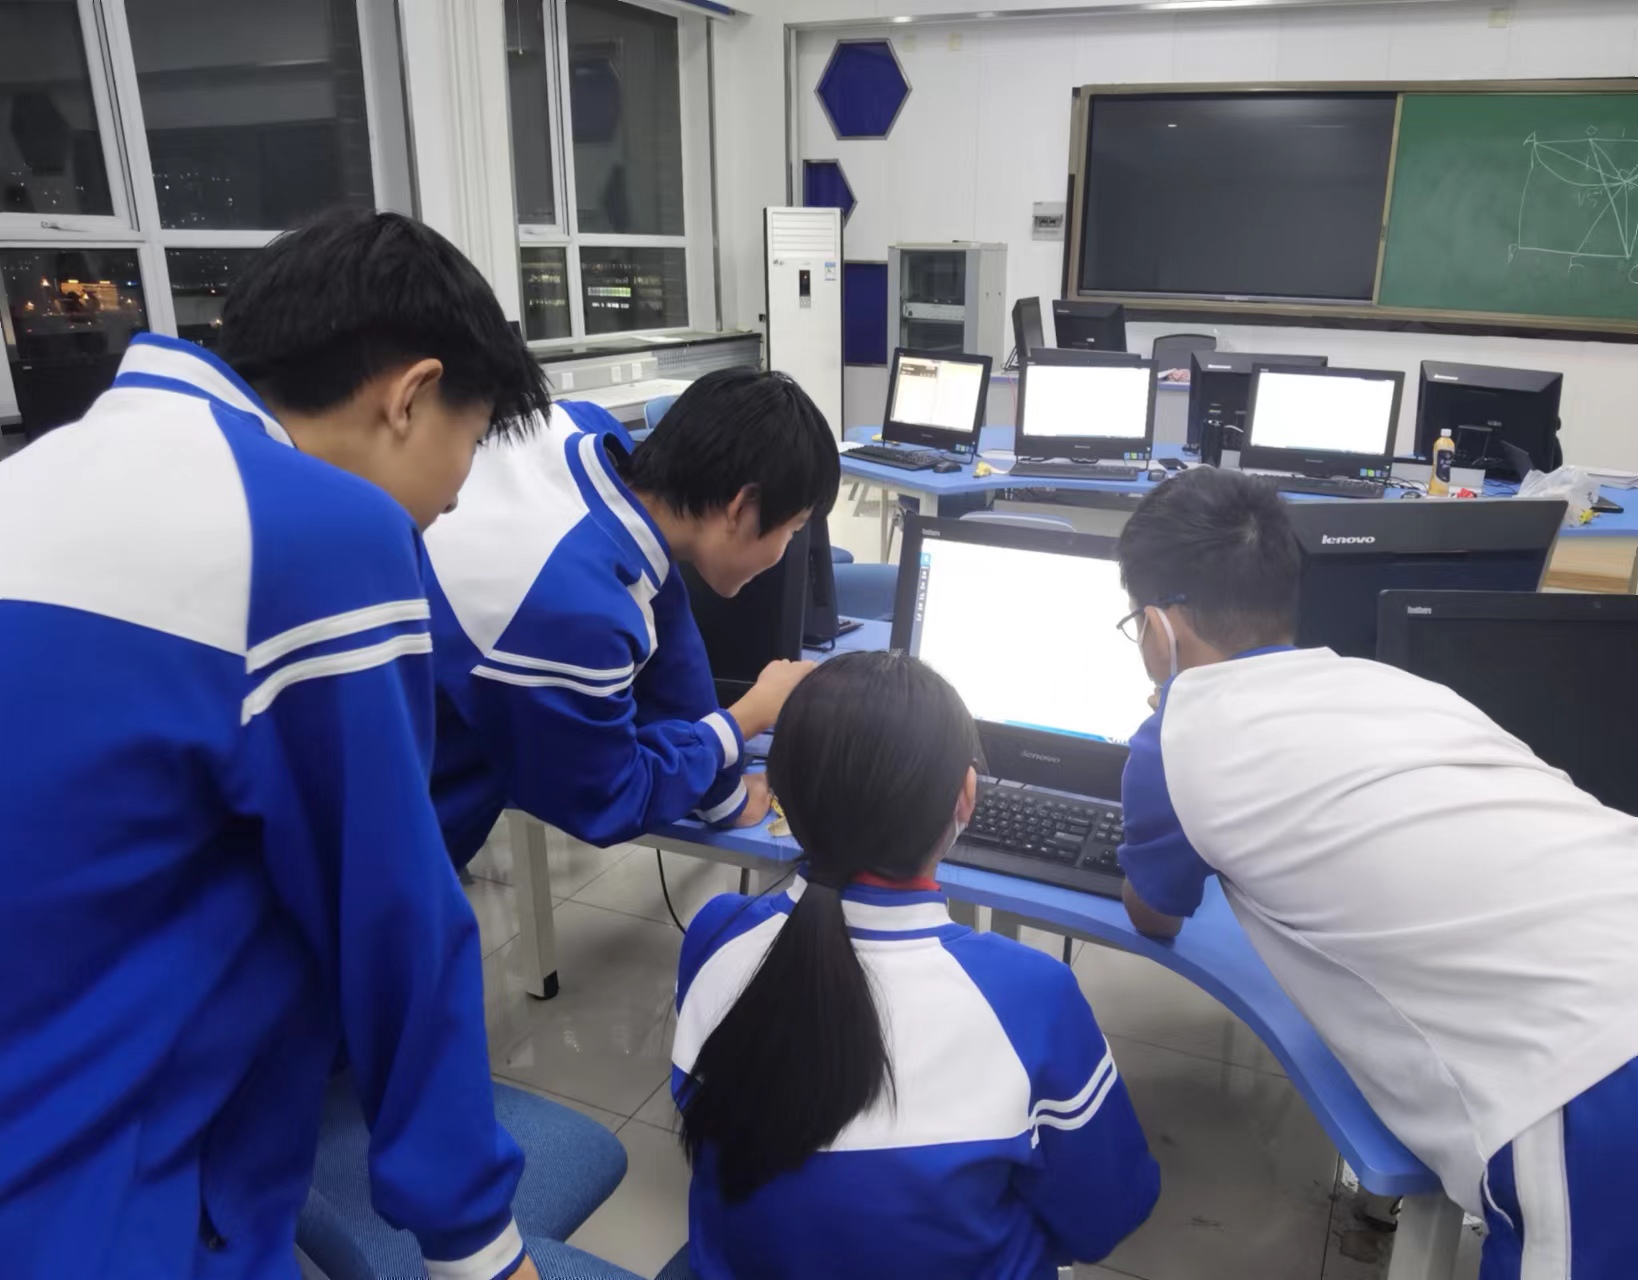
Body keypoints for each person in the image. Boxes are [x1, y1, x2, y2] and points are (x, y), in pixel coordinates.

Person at [0, 208, 552, 1280]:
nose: (455, 496)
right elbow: (395, 917)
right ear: (410, 395)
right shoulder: (318, 531)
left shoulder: (41, 474)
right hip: (97, 1199)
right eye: (473, 443)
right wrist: (478, 1244)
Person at [1114, 466, 1638, 1280]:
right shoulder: (1393, 685)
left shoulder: (1177, 739)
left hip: (1586, 1066)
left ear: (1157, 628)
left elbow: (1154, 912)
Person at [672, 651, 1160, 1279]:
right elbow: (1102, 1219)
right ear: (965, 797)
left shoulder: (714, 934)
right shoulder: (1034, 996)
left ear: (782, 794)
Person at [424, 368, 839, 866]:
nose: (786, 549)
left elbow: (668, 617)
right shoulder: (578, 614)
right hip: (393, 819)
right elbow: (612, 794)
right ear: (742, 507)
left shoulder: (589, 430)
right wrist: (748, 716)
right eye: (792, 529)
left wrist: (723, 793)